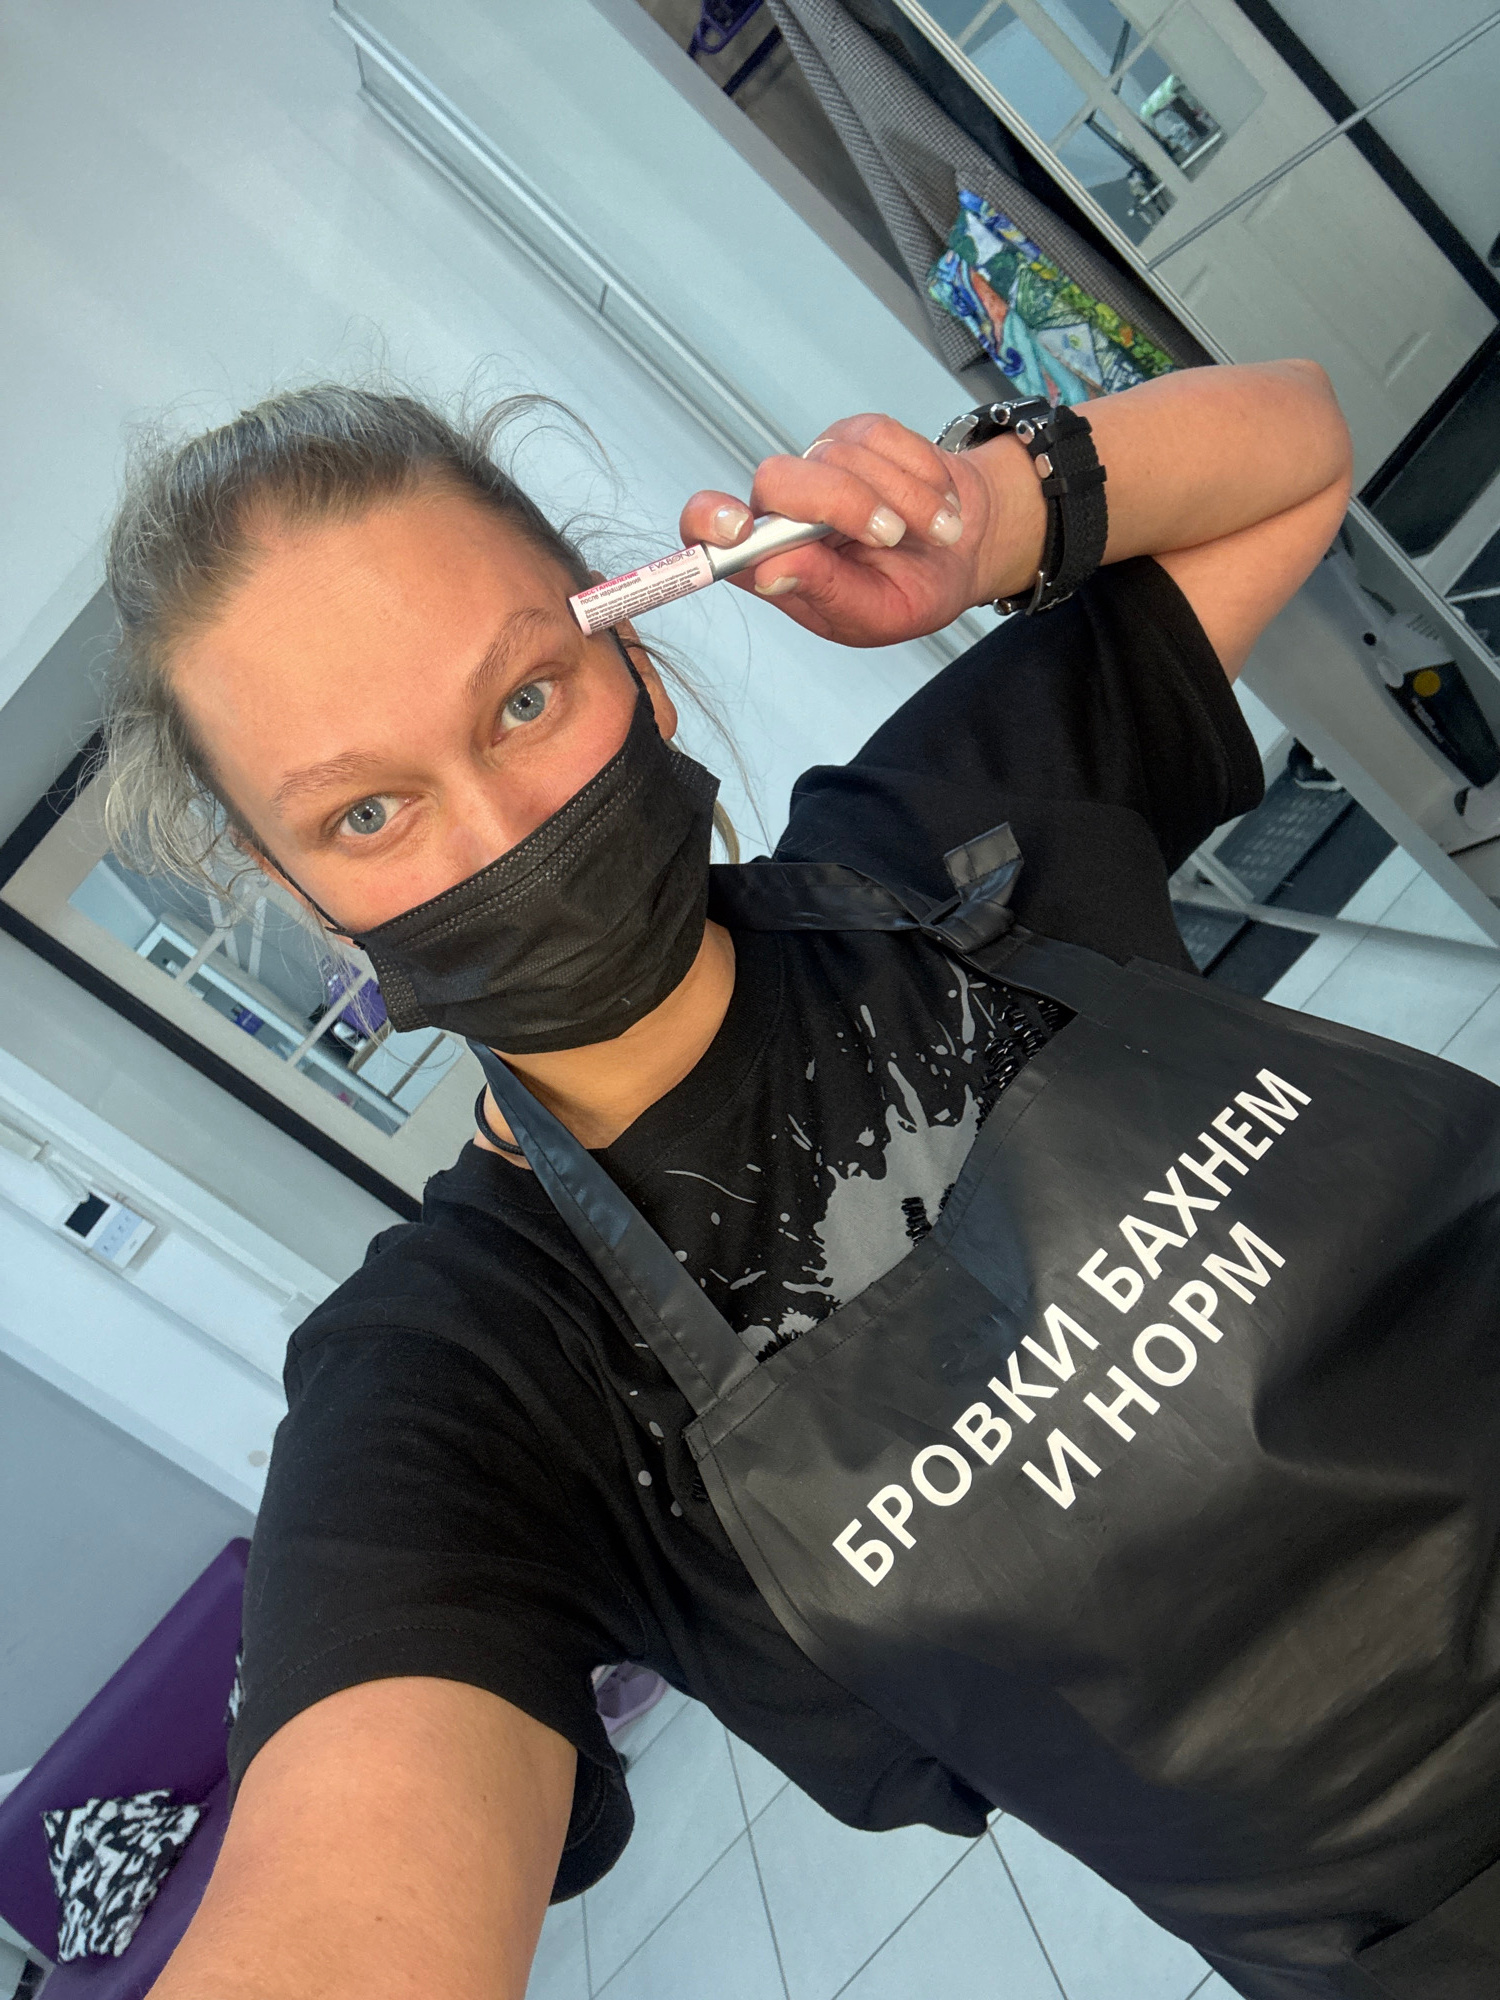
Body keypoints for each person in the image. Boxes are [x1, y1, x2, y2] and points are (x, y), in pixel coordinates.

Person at [100, 356, 1493, 2000]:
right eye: (367, 814)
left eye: (524, 701)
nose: (498, 833)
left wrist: (983, 517)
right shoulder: (468, 1384)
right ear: (295, 889)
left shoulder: (948, 839)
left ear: (638, 658)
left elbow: (1297, 449)